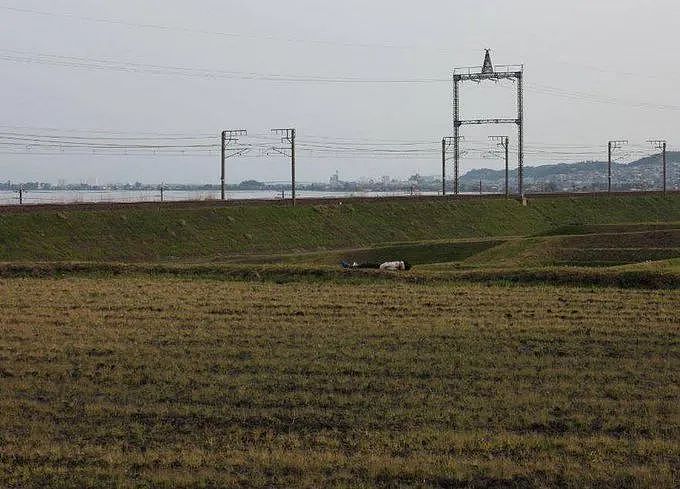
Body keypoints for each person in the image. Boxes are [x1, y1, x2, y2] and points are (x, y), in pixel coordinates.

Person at [341, 260, 412, 271]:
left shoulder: (395, 268)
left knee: (366, 265)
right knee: (365, 264)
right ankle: (354, 266)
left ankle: (349, 267)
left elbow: (386, 267)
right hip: (380, 265)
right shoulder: (397, 265)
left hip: (379, 267)